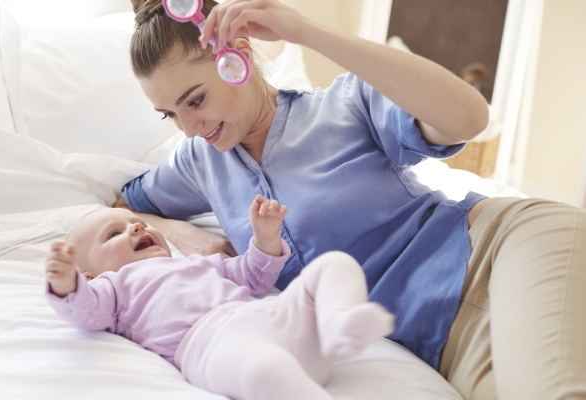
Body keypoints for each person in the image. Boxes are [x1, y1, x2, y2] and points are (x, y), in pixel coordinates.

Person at [114, 1, 586, 399]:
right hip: (445, 342)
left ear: (234, 56)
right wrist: (184, 232)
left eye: (195, 101)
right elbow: (125, 204)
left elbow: (469, 117)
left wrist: (305, 32)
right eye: (169, 115)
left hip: (495, 252)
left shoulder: (343, 106)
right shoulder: (199, 161)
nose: (188, 127)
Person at [45, 195, 394, 400]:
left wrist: (265, 239)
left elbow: (253, 276)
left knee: (335, 264)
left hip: (270, 319)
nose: (136, 227)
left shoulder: (201, 264)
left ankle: (338, 323)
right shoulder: (113, 289)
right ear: (91, 275)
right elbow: (83, 310)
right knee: (263, 369)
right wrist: (67, 284)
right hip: (213, 345)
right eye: (114, 234)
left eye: (137, 222)